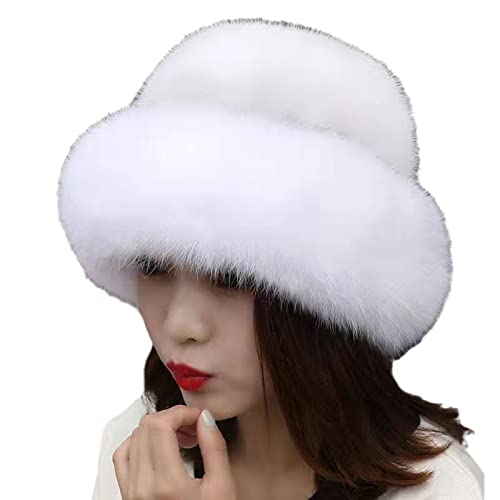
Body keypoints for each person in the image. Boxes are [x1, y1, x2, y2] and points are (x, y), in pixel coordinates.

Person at [57, 18, 484, 500]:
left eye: (230, 275)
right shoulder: (138, 450)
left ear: (326, 302)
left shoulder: (438, 487)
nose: (181, 326)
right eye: (153, 268)